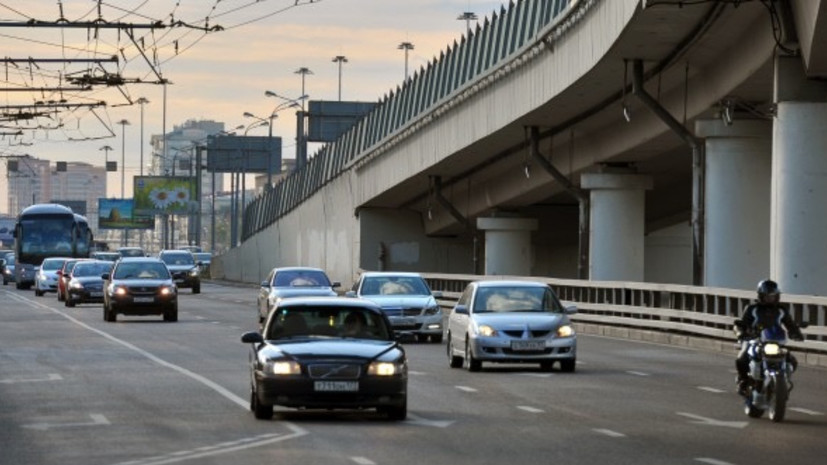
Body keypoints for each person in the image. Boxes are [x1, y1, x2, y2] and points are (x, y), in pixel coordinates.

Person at [734, 279, 804, 396]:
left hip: (775, 341)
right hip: (755, 339)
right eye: (767, 296)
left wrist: (795, 333)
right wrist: (741, 332)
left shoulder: (781, 310)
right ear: (761, 295)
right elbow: (742, 323)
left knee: (792, 361)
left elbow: (789, 324)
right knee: (741, 358)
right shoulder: (752, 309)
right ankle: (743, 380)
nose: (770, 299)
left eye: (772, 296)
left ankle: (783, 380)